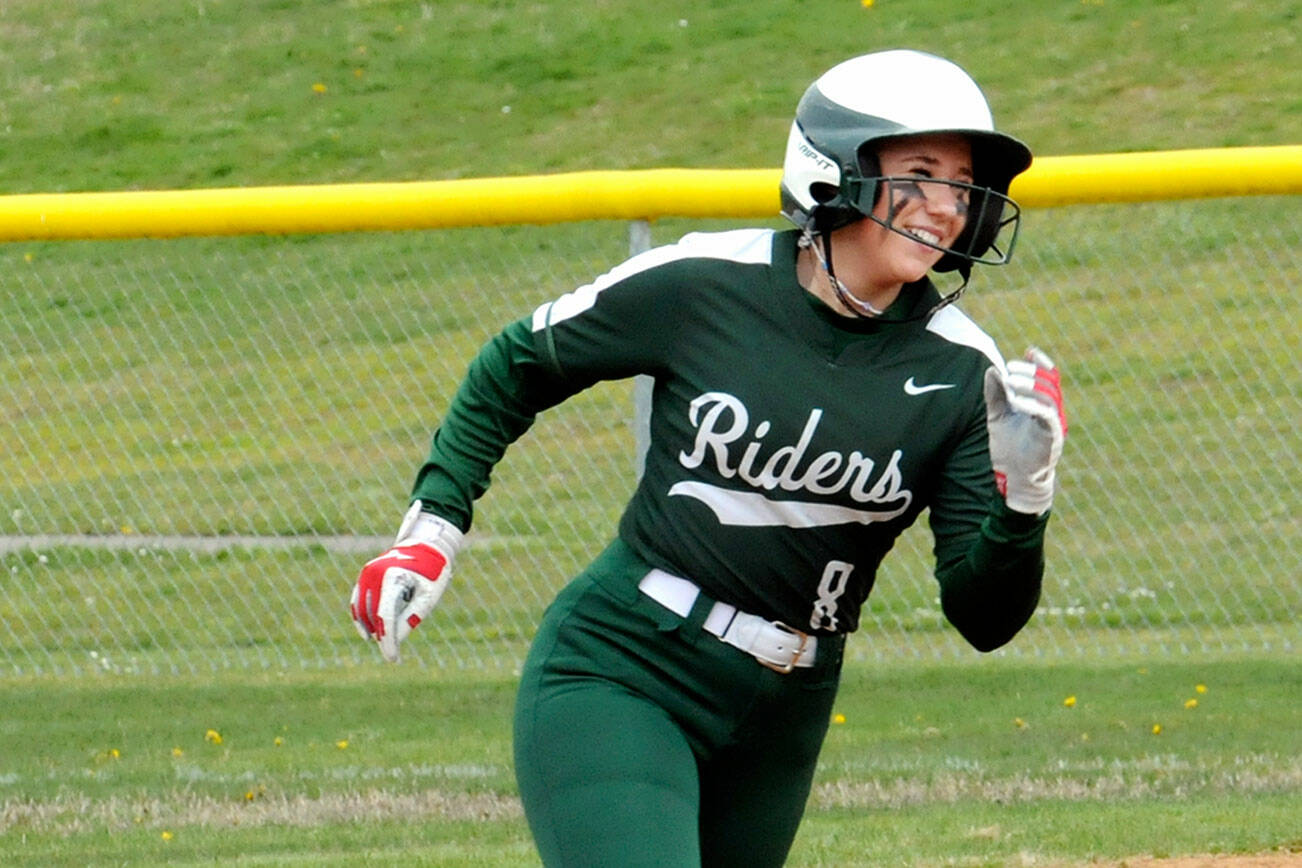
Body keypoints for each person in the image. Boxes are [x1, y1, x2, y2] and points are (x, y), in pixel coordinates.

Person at [350, 48, 1067, 868]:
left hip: (784, 712)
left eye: (963, 182)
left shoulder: (962, 370)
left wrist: (1025, 500)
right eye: (920, 171)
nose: (945, 205)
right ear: (833, 169)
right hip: (626, 665)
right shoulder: (704, 283)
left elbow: (984, 618)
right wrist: (432, 529)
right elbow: (516, 363)